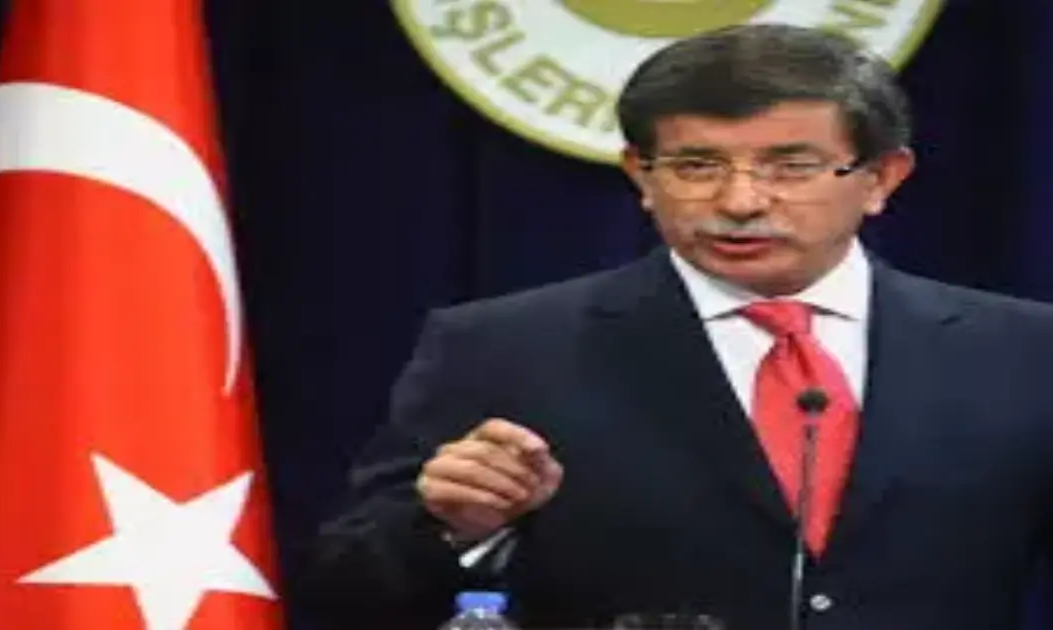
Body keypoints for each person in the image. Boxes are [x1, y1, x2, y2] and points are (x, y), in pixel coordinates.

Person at [303, 23, 1053, 630]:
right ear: (641, 175)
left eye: (790, 167)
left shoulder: (1024, 353)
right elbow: (346, 592)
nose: (740, 201)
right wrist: (452, 527)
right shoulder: (504, 348)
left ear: (881, 179)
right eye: (696, 166)